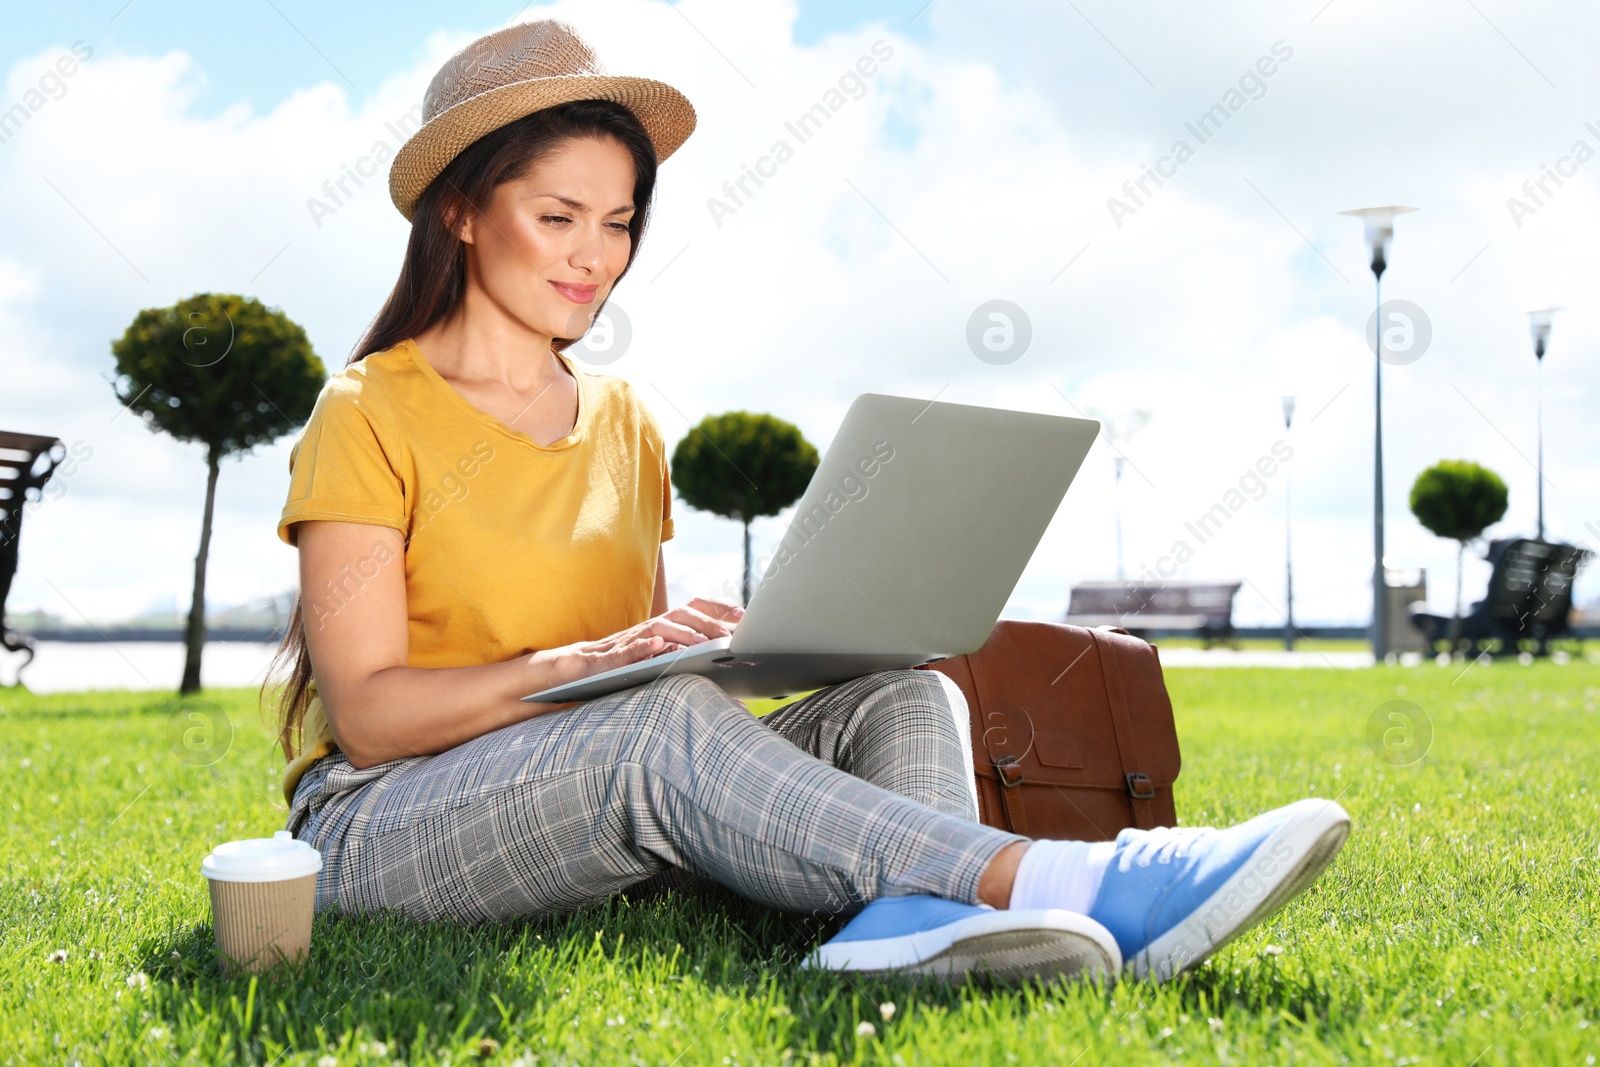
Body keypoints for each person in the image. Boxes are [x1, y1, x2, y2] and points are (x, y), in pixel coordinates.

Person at [266, 18, 1351, 984]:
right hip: (382, 825)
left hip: (582, 797)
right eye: (558, 216)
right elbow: (368, 716)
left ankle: (904, 926)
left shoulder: (629, 422)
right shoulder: (368, 410)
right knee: (654, 726)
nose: (594, 259)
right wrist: (590, 669)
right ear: (459, 210)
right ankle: (1064, 880)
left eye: (619, 221)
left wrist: (721, 650)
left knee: (907, 692)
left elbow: (633, 675)